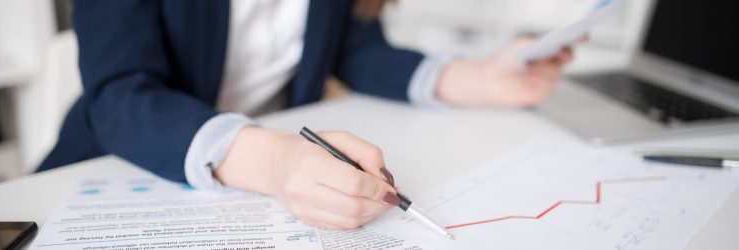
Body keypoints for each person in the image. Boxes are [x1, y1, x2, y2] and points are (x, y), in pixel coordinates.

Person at [38, 0, 575, 230]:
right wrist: (272, 161)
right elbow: (119, 95)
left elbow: (354, 48)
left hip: (257, 194)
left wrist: (473, 77)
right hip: (117, 167)